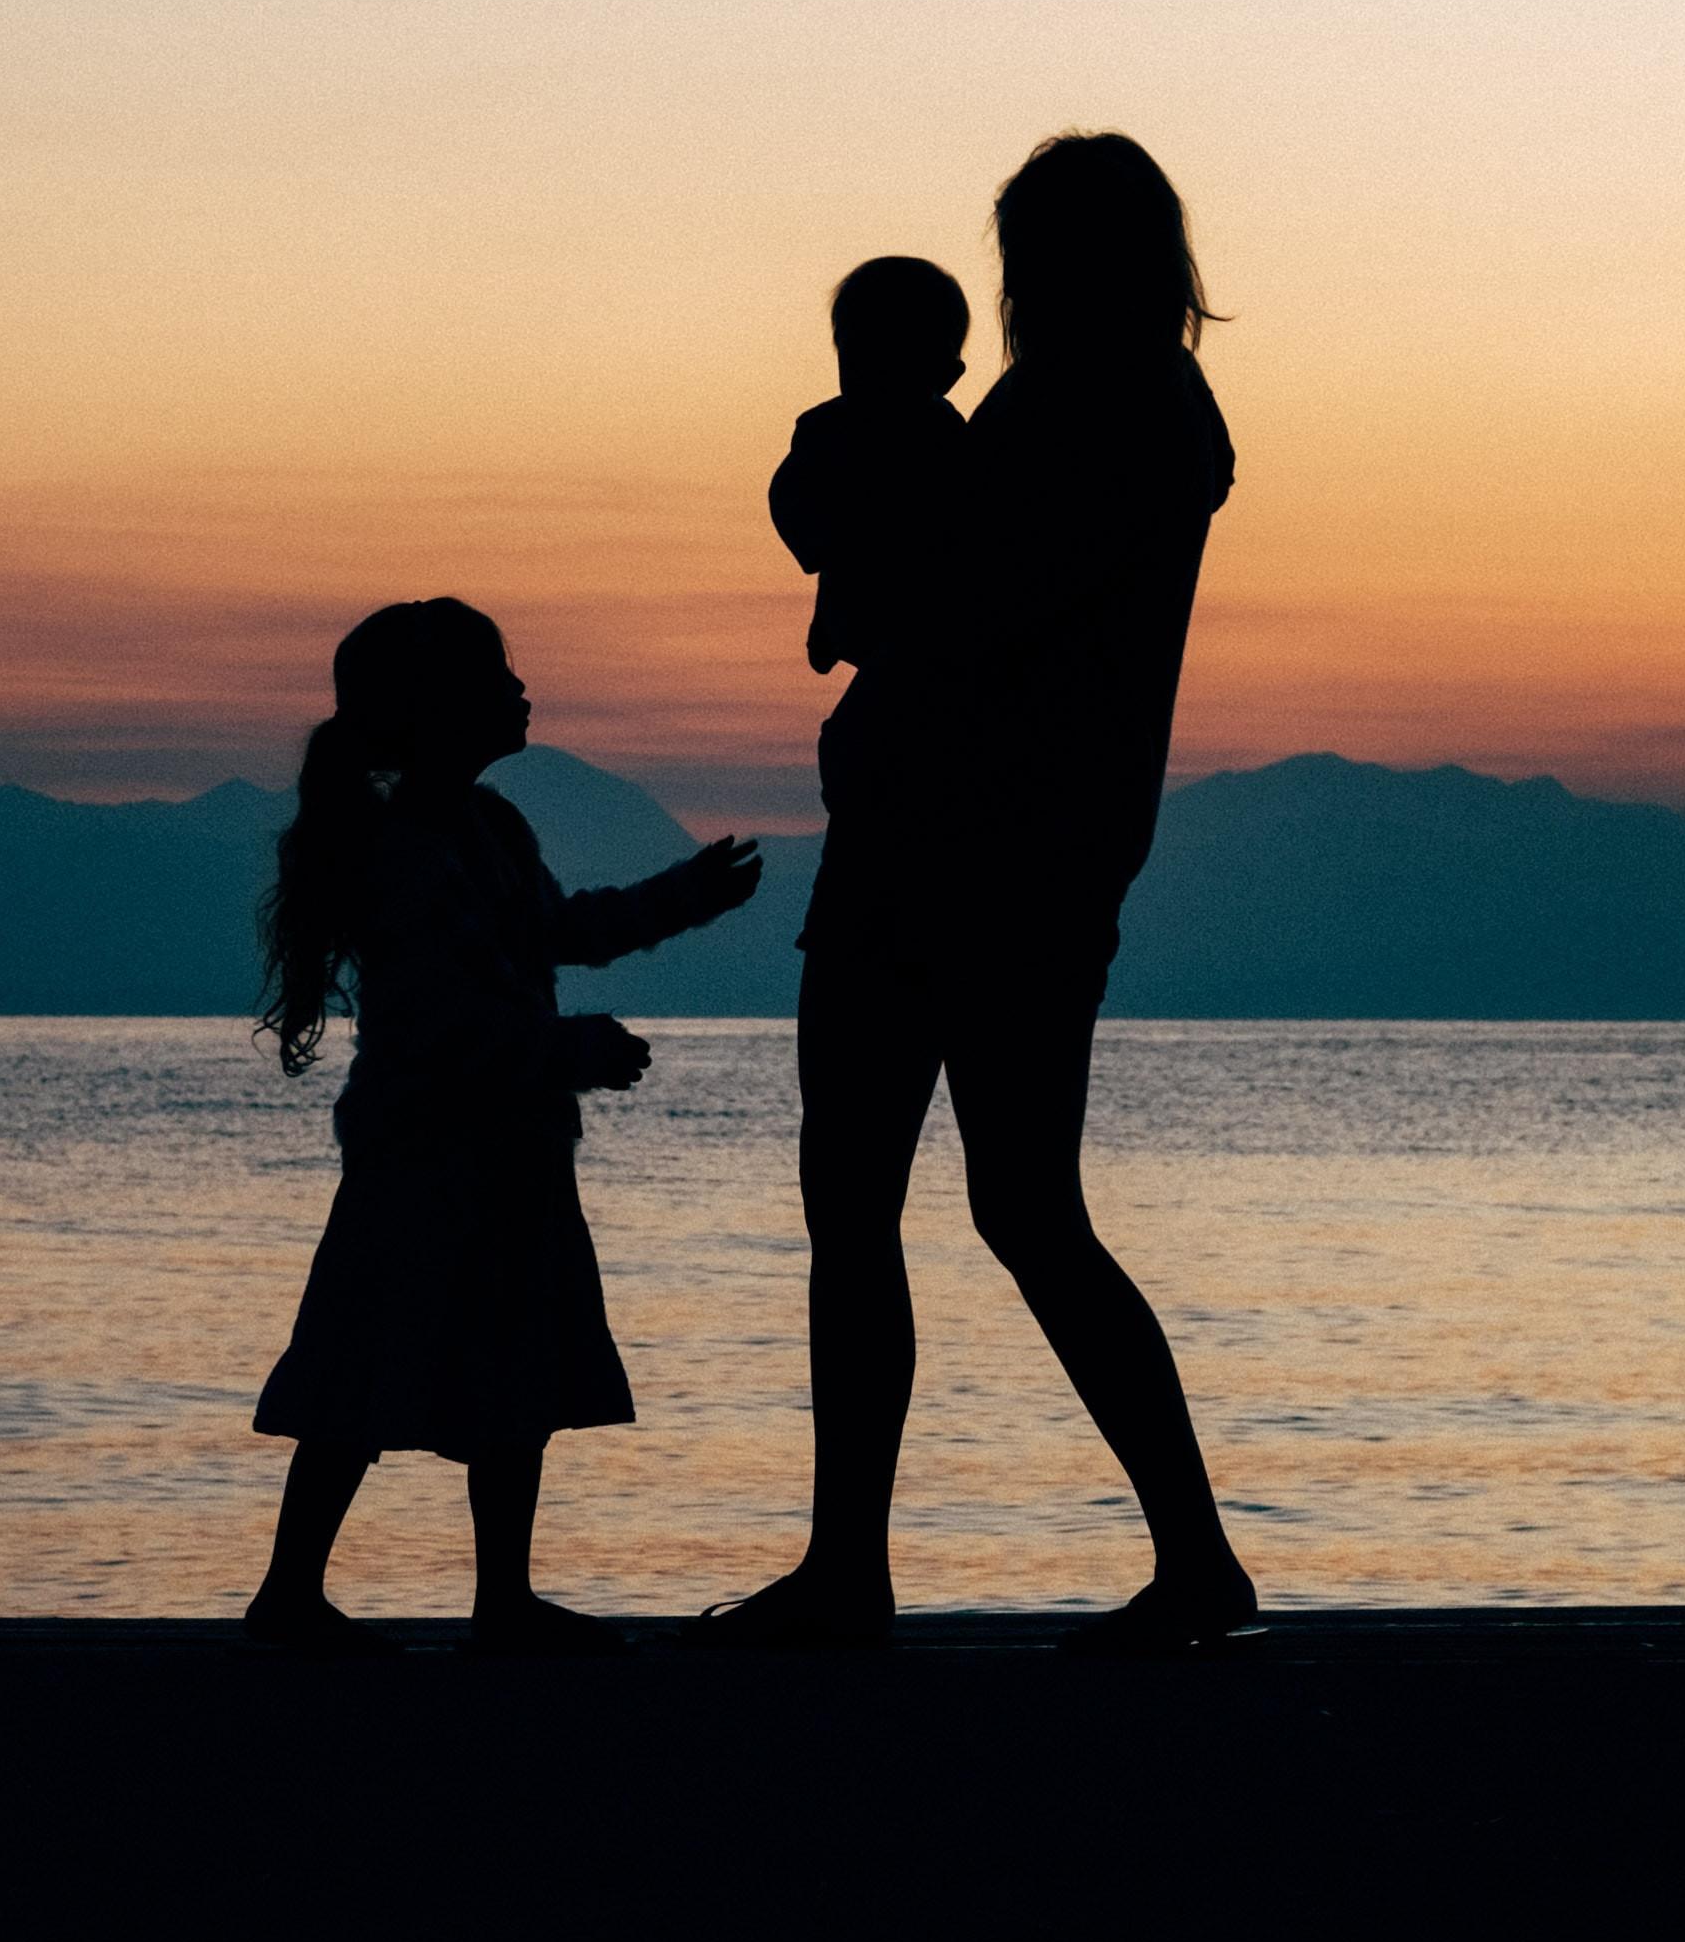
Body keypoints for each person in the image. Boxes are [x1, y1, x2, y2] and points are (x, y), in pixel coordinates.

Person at [697, 131, 1258, 1654]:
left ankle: (1160, 1560)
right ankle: (855, 1566)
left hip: (997, 854)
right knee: (902, 1204)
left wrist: (865, 565)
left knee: (986, 1206)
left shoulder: (1124, 409)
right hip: (959, 846)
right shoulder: (1064, 401)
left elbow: (969, 602)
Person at [248, 597, 762, 1653]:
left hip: (511, 1152)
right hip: (424, 1157)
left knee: (508, 1368)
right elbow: (442, 1025)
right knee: (362, 1368)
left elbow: (557, 930)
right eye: (497, 676)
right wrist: (566, 1053)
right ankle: (292, 1591)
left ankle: (502, 1596)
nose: (522, 691)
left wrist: (683, 896)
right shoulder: (405, 855)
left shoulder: (487, 829)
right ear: (437, 708)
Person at [769, 256, 973, 681]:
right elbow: (790, 495)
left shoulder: (943, 437)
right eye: (857, 358)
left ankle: (833, 625)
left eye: (894, 361)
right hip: (871, 603)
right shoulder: (827, 428)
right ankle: (829, 624)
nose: (873, 377)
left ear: (946, 376)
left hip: (917, 616)